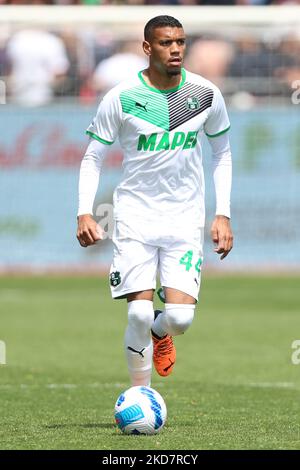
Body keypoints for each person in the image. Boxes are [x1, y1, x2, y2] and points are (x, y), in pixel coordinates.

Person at [77, 15, 233, 387]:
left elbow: (222, 152)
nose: (175, 48)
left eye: (180, 41)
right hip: (135, 217)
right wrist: (83, 210)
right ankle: (140, 394)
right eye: (166, 43)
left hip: (184, 218)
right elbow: (92, 157)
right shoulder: (122, 97)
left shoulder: (205, 94)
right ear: (147, 48)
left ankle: (162, 335)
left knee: (179, 319)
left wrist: (223, 213)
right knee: (139, 314)